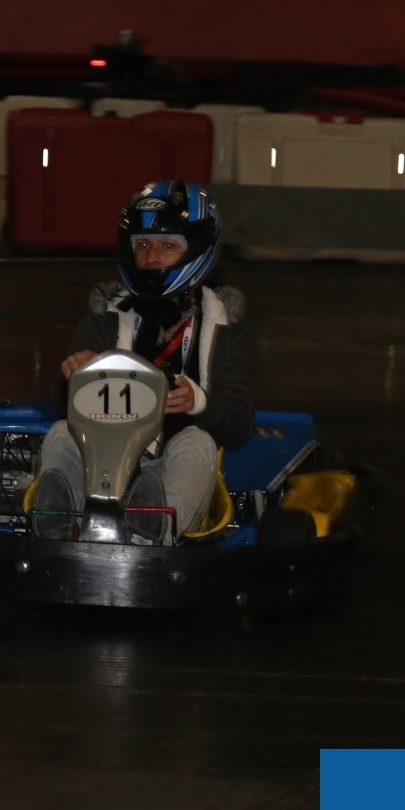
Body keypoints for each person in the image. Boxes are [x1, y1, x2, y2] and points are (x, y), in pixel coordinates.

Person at [34, 180, 257, 543]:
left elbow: (239, 427)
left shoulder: (226, 327)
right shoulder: (107, 316)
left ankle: (152, 531)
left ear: (196, 250)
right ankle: (58, 524)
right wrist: (73, 374)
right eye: (142, 245)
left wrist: (198, 402)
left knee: (197, 442)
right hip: (105, 461)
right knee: (62, 431)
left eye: (167, 246)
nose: (152, 257)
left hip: (175, 462)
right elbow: (61, 405)